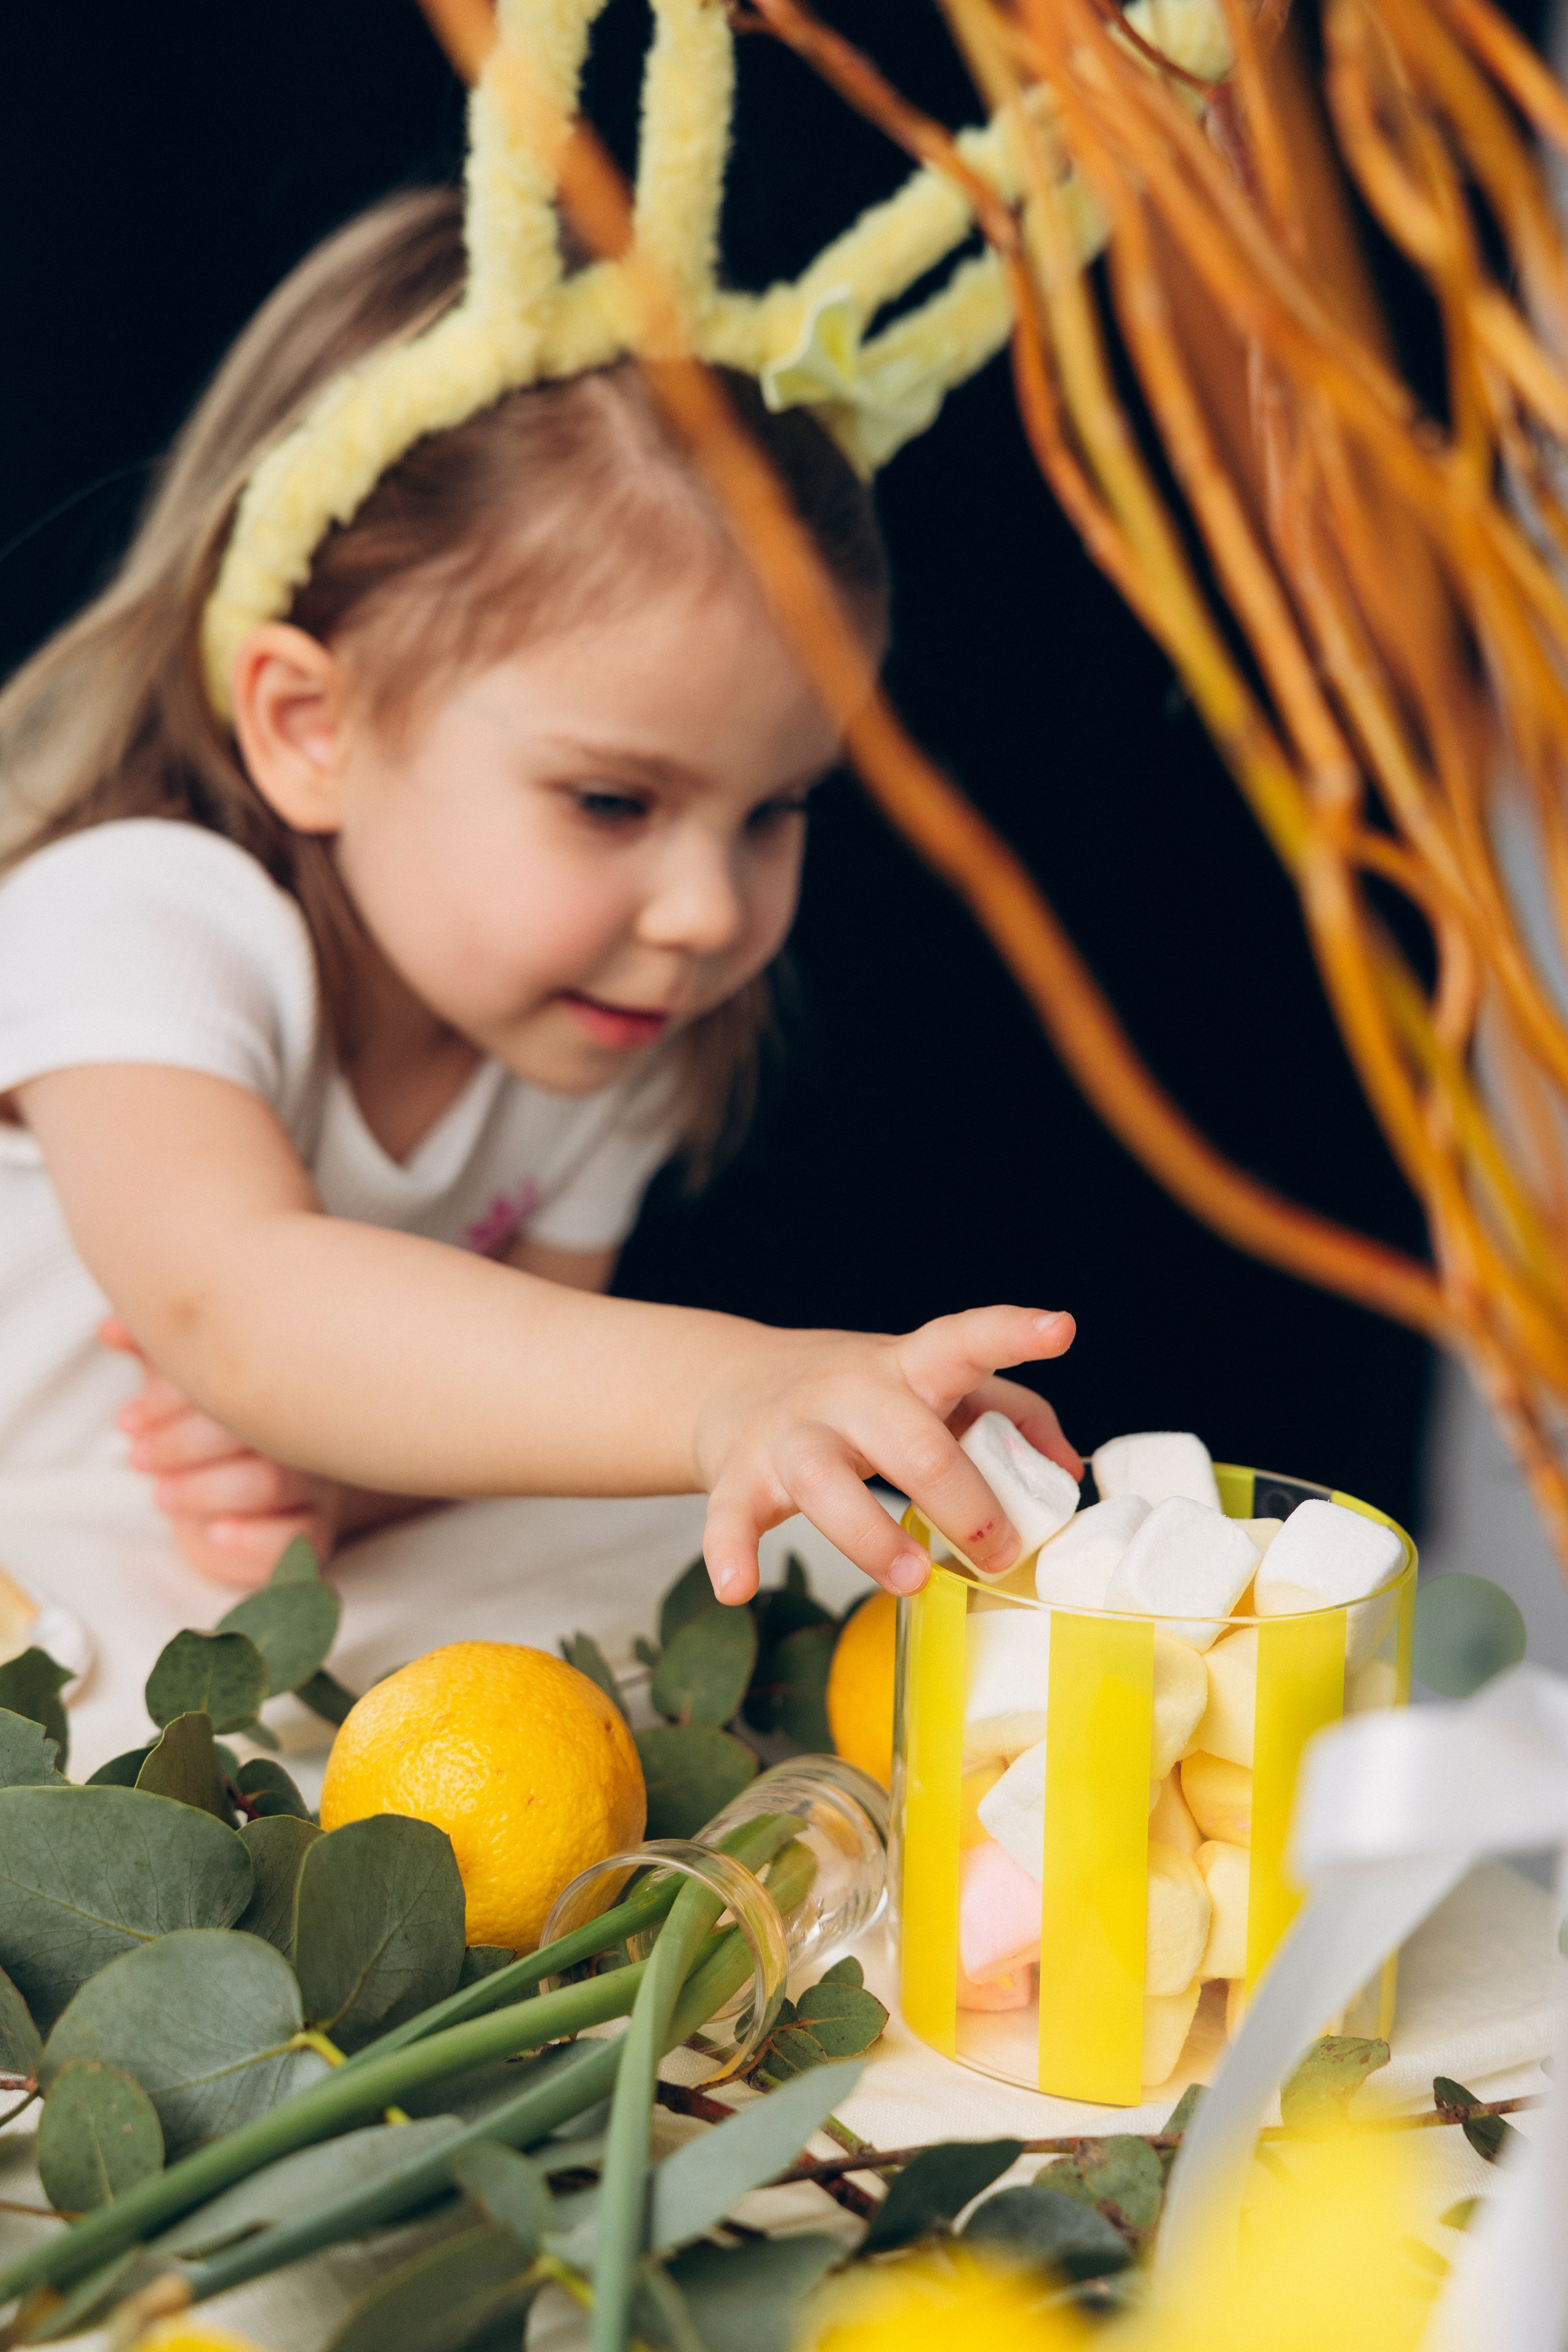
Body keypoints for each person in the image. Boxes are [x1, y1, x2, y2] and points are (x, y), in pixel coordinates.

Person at [0, 184, 1079, 1604]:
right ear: (310, 727)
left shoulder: (596, 1031)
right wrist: (739, 1385)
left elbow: (498, 1413)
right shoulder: (137, 921)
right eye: (611, 802)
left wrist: (334, 1481)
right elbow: (241, 1304)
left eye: (775, 809)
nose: (705, 913)